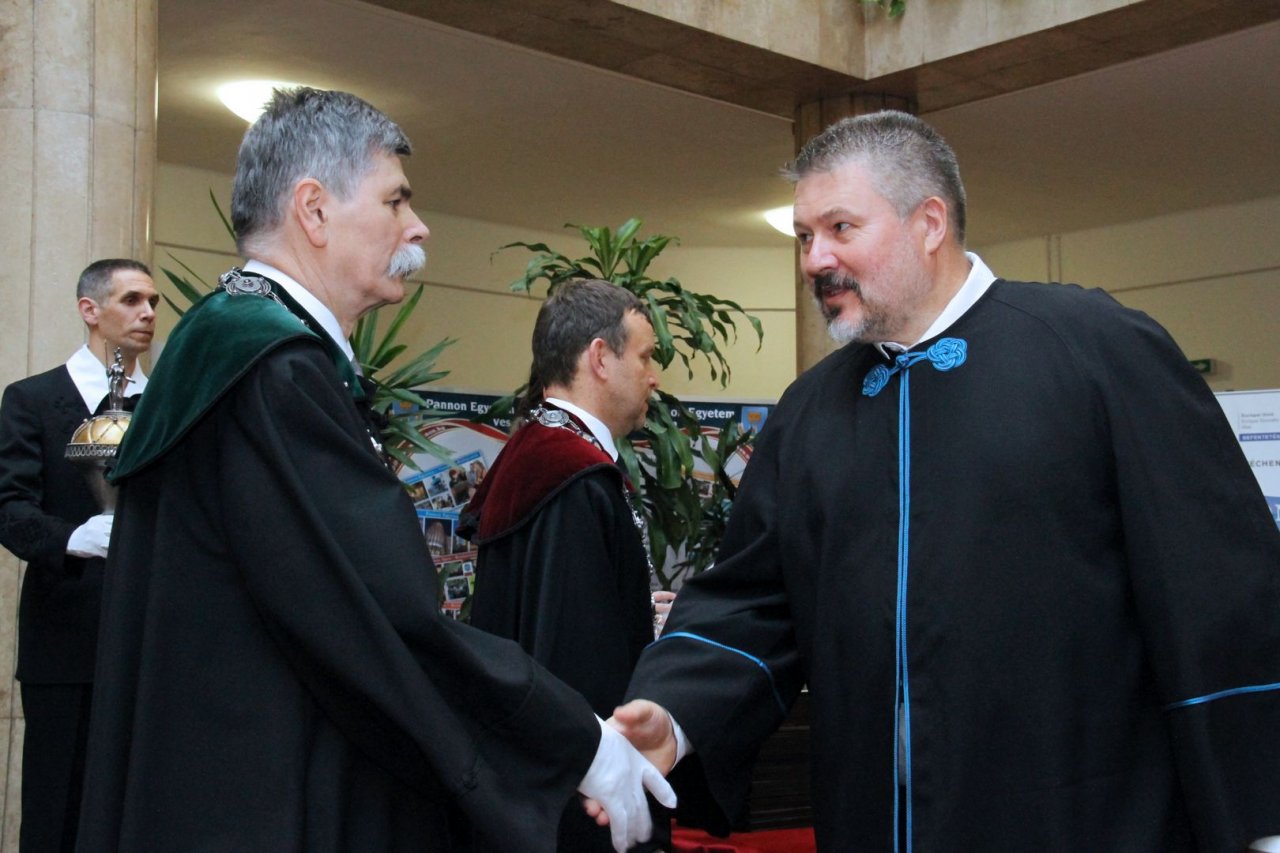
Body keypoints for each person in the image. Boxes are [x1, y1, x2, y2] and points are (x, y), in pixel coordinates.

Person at [610, 111, 1280, 852]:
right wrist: (675, 712)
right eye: (803, 236)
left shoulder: (1095, 349)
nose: (813, 259)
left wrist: (1261, 818)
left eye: (839, 227)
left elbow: (1217, 586)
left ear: (929, 223)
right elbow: (752, 600)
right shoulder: (810, 410)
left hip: (1080, 821)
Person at [75, 87, 672, 853]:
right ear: (314, 210)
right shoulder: (276, 368)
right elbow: (383, 615)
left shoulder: (223, 343)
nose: (417, 226)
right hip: (270, 790)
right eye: (395, 200)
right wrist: (579, 743)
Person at [460, 278, 665, 851]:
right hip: (579, 797)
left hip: (524, 775)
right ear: (600, 358)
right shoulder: (572, 475)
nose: (654, 376)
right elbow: (579, 656)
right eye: (645, 356)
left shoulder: (537, 451)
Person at [0, 258, 157, 853]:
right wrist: (73, 538)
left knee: (143, 812)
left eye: (153, 301)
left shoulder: (170, 405)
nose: (147, 313)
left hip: (154, 639)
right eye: (131, 300)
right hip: (66, 637)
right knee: (57, 810)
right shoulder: (34, 399)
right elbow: (8, 506)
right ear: (90, 310)